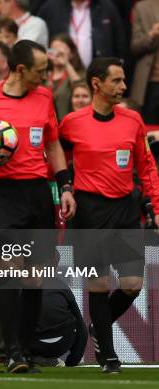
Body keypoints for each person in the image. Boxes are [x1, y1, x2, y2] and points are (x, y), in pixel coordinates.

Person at [0, 40, 76, 373]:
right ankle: (12, 354)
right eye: (40, 70)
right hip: (2, 194)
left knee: (36, 277)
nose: (46, 76)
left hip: (37, 192)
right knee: (10, 271)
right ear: (20, 69)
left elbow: (53, 143)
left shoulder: (45, 97)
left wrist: (64, 185)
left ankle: (27, 348)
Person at [59, 57, 159, 374]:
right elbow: (55, 160)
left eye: (124, 80)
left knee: (132, 284)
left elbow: (146, 167)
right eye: (116, 80)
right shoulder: (72, 122)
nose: (124, 87)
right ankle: (109, 355)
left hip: (124, 210)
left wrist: (157, 206)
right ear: (96, 84)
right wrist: (65, 190)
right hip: (89, 211)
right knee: (98, 284)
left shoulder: (133, 120)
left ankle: (97, 329)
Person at [37, 0, 126, 68]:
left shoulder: (107, 7)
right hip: (60, 78)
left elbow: (120, 46)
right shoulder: (51, 7)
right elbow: (39, 44)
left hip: (99, 77)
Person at [130, 0, 159, 125]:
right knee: (149, 131)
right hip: (151, 83)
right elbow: (134, 47)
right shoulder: (142, 8)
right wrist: (151, 35)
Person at [47, 34, 85, 120]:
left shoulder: (80, 74)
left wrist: (66, 63)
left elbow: (80, 87)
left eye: (62, 49)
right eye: (53, 49)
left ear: (71, 53)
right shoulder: (43, 75)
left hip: (69, 124)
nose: (57, 53)